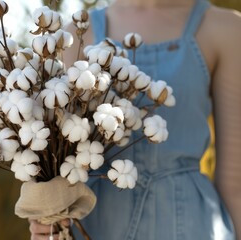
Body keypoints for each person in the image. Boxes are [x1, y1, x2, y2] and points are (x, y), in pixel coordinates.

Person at [29, 0, 241, 239]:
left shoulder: (225, 29)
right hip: (94, 223)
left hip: (189, 226)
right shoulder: (76, 33)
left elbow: (235, 183)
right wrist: (46, 222)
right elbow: (55, 162)